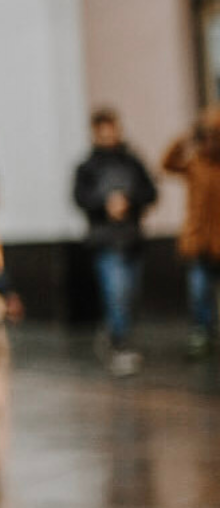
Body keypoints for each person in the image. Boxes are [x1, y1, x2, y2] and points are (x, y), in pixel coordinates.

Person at [72, 109, 157, 375]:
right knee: (116, 293)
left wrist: (129, 202)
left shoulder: (131, 161)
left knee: (130, 295)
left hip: (132, 238)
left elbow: (150, 191)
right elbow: (80, 198)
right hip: (105, 241)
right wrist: (104, 205)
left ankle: (114, 333)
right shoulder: (87, 167)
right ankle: (120, 346)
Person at [162, 107, 220, 357]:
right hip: (198, 241)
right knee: (199, 292)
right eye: (205, 136)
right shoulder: (195, 163)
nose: (210, 142)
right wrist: (185, 137)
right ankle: (202, 333)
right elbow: (168, 163)